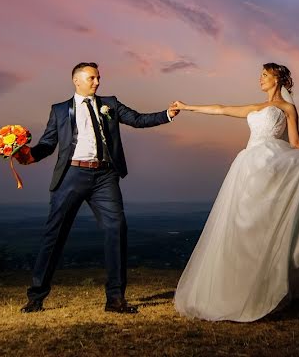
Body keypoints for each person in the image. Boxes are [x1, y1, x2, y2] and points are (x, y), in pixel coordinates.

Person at [172, 62, 299, 321]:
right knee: (241, 225)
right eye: (260, 74)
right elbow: (221, 109)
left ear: (277, 79)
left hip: (271, 163)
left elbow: (295, 143)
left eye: (265, 75)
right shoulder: (255, 107)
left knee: (263, 225)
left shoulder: (287, 108)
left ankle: (269, 284)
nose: (260, 79)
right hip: (247, 166)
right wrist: (187, 106)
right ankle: (237, 287)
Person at [16, 62, 178, 314]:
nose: (97, 82)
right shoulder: (59, 110)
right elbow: (48, 144)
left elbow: (137, 119)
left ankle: (115, 299)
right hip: (71, 174)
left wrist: (166, 114)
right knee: (54, 235)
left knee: (117, 228)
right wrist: (27, 156)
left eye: (99, 78)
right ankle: (36, 297)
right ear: (76, 80)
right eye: (92, 78)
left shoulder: (110, 104)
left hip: (105, 176)